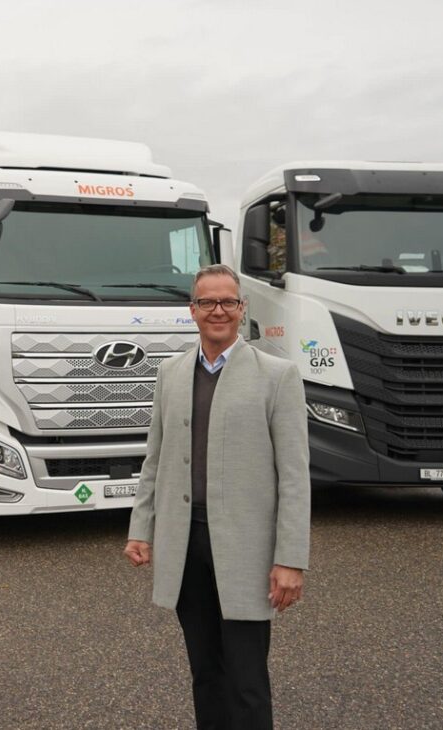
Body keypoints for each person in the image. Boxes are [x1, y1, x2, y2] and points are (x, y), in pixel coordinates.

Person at [124, 263, 310, 730]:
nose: (218, 311)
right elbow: (155, 459)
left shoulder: (277, 376)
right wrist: (140, 529)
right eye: (207, 302)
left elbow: (294, 477)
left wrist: (290, 559)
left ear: (242, 308)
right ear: (193, 310)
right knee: (205, 673)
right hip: (186, 544)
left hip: (246, 550)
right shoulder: (170, 373)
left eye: (228, 301)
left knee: (247, 680)